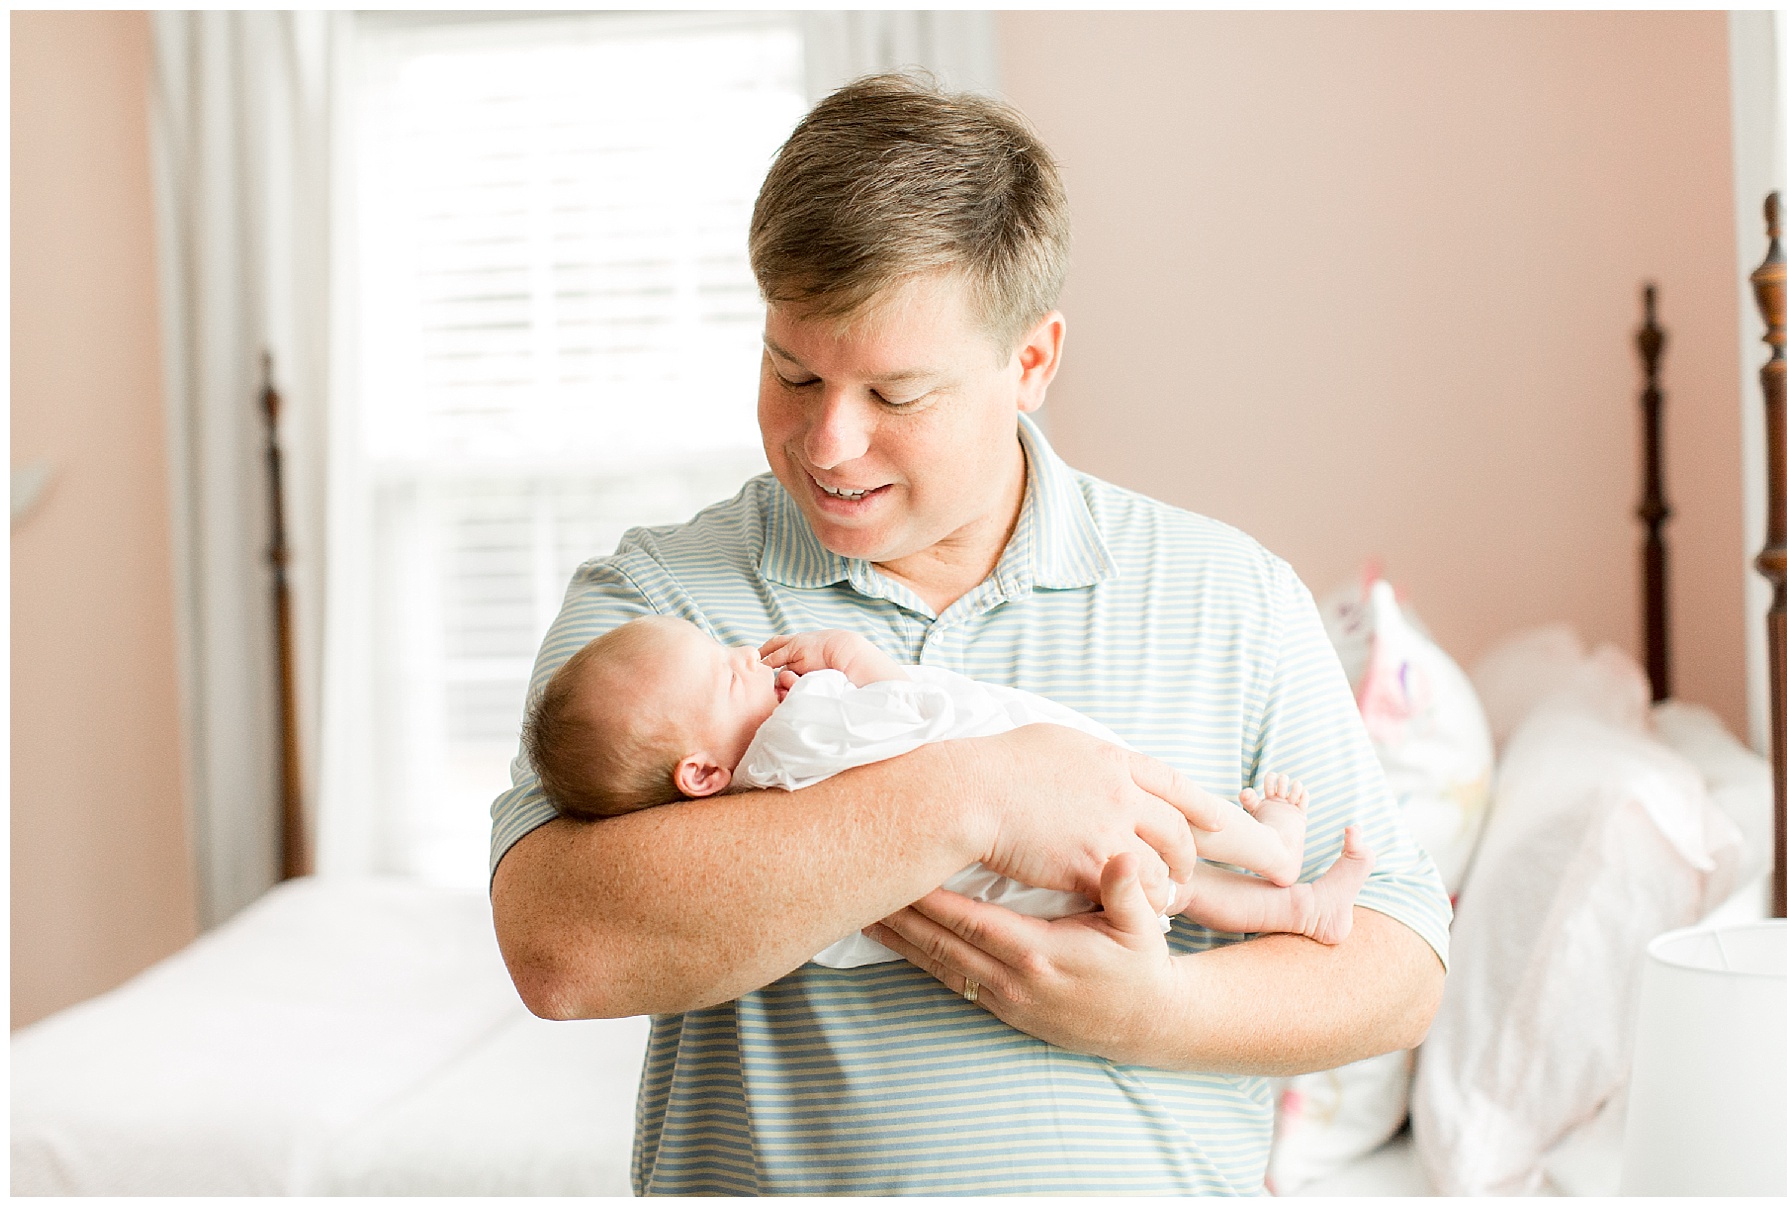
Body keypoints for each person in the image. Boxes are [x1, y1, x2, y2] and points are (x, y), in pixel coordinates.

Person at [489, 72, 1450, 1195]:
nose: (829, 442)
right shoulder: (664, 610)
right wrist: (977, 797)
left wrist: (1157, 1011)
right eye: (792, 371)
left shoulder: (1228, 596)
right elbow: (559, 948)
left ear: (1031, 363)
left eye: (896, 395)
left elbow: (1398, 962)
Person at [518, 616, 1374, 965]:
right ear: (700, 773)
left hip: (1022, 896)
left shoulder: (763, 792)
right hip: (1047, 799)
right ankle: (1274, 850)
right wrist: (868, 665)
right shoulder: (800, 728)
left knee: (1175, 886)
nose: (743, 655)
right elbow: (910, 721)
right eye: (718, 672)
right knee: (1166, 805)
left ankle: (1298, 912)